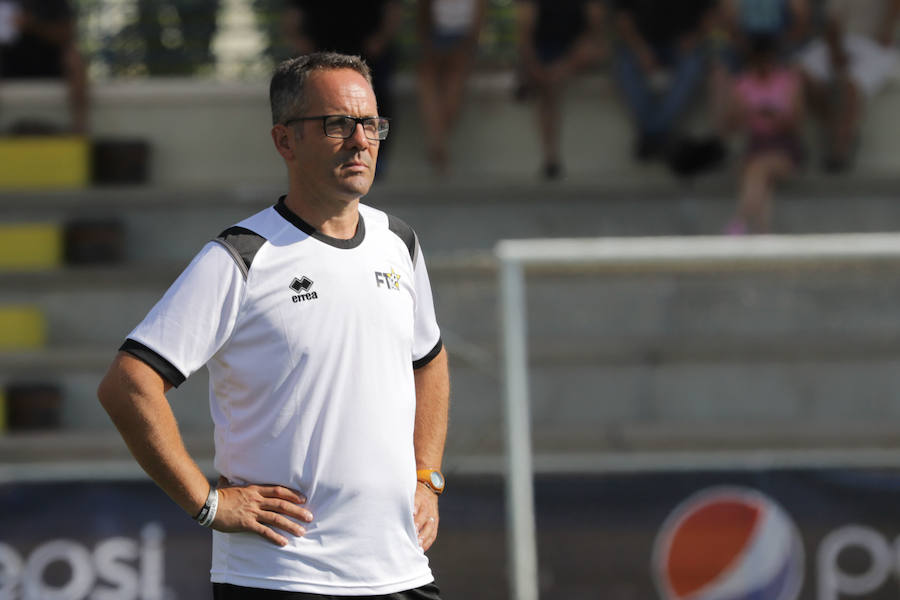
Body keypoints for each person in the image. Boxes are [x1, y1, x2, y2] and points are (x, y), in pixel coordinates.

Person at [97, 52, 450, 599]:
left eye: (371, 124)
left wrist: (428, 475)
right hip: (281, 576)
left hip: (400, 568)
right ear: (285, 141)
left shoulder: (397, 241)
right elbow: (128, 384)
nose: (361, 140)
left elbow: (428, 360)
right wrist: (206, 502)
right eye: (336, 124)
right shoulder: (241, 255)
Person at [284, 1, 403, 175]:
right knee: (316, 110)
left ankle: (374, 162)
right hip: (320, 53)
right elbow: (292, 15)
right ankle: (318, 160)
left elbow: (393, 9)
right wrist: (301, 43)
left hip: (368, 55)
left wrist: (381, 39)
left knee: (374, 107)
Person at [797, 0, 900, 171]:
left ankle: (841, 149)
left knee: (851, 85)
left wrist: (886, 30)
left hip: (875, 45)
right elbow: (833, 20)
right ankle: (835, 127)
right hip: (842, 42)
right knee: (800, 73)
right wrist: (836, 51)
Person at [612, 0, 717, 162]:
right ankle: (660, 135)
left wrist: (695, 38)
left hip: (681, 45)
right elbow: (622, 19)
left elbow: (711, 14)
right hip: (641, 43)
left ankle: (652, 134)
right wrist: (640, 49)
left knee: (693, 67)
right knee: (624, 66)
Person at [515, 0, 607, 180]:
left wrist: (564, 65)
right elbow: (524, 35)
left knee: (587, 52)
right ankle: (551, 157)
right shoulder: (531, 11)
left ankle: (553, 74)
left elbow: (596, 34)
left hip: (573, 49)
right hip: (544, 51)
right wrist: (532, 64)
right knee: (547, 94)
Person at [723, 35, 805, 234]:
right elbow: (730, 125)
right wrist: (745, 112)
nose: (764, 65)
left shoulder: (788, 81)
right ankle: (763, 235)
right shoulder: (743, 83)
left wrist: (775, 116)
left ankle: (738, 222)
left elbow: (797, 123)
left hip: (783, 146)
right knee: (762, 185)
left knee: (757, 169)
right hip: (756, 144)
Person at [416, 0, 487, 175]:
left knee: (451, 95)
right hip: (437, 36)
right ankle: (438, 144)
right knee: (434, 88)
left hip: (461, 39)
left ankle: (437, 143)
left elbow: (478, 18)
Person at [0, 0, 88, 133]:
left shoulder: (53, 3)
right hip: (8, 64)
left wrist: (33, 24)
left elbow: (68, 34)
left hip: (50, 64)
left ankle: (80, 128)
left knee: (74, 58)